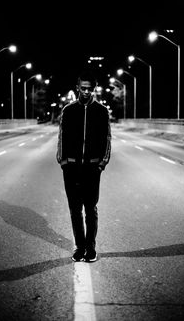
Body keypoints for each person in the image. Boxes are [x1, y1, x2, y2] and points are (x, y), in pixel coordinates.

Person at [56, 71, 111, 262]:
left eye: (90, 88)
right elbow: (61, 136)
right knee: (74, 209)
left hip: (92, 168)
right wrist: (63, 161)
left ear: (94, 89)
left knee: (90, 208)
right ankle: (79, 247)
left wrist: (102, 163)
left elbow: (107, 138)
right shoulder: (68, 110)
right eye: (83, 88)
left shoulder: (102, 111)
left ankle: (91, 248)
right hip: (71, 167)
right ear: (77, 87)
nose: (86, 92)